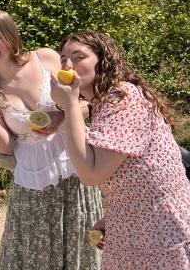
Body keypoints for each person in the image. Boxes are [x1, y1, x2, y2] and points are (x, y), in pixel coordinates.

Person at [0, 10, 102, 269]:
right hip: (32, 178)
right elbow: (4, 145)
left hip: (75, 164)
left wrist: (62, 116)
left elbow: (88, 103)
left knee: (79, 244)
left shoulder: (45, 58)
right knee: (36, 253)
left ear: (11, 36)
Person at [50, 31, 190, 269]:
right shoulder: (104, 102)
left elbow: (91, 174)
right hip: (132, 222)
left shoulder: (123, 98)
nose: (68, 64)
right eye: (63, 59)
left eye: (78, 56)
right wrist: (113, 216)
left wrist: (70, 104)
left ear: (103, 61)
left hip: (161, 227)